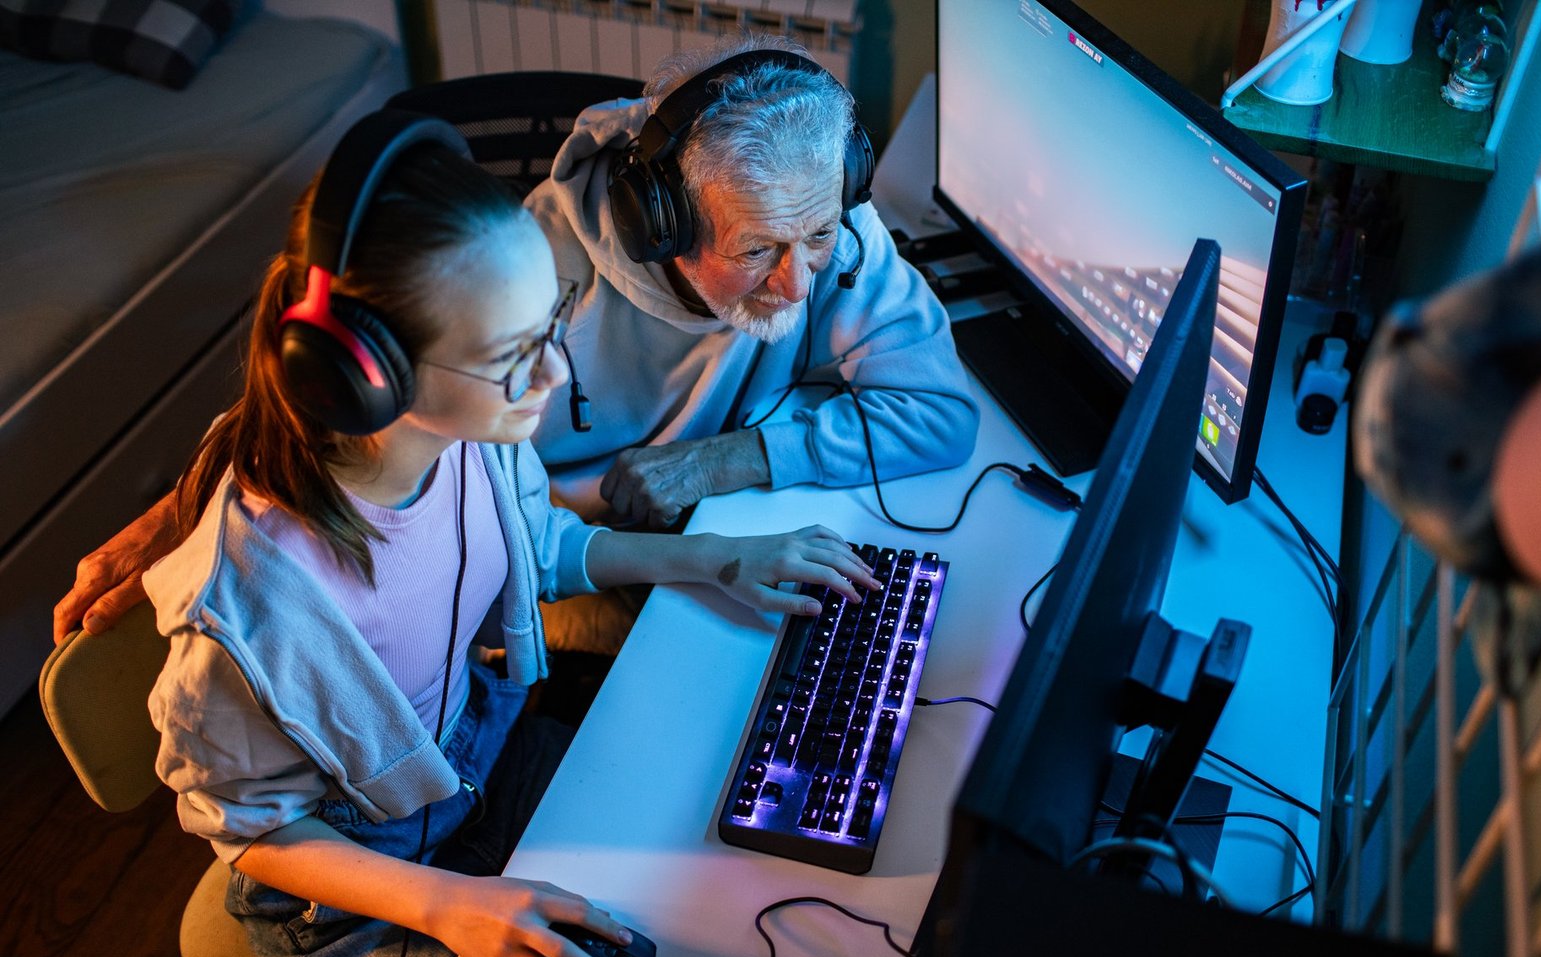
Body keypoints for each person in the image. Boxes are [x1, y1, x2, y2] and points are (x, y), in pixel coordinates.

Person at [145, 110, 880, 957]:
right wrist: (456, 908)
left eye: (549, 330)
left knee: (723, 882)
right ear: (366, 378)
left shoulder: (470, 443)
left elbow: (538, 548)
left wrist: (713, 558)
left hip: (481, 750)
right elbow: (257, 830)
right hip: (356, 889)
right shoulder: (248, 617)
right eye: (511, 357)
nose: (555, 374)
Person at [53, 34, 977, 653]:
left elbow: (939, 414)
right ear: (659, 222)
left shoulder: (820, 218)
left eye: (818, 238)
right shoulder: (536, 278)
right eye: (757, 252)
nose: (800, 283)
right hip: (561, 551)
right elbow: (345, 387)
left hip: (701, 524)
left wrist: (727, 458)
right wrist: (175, 515)